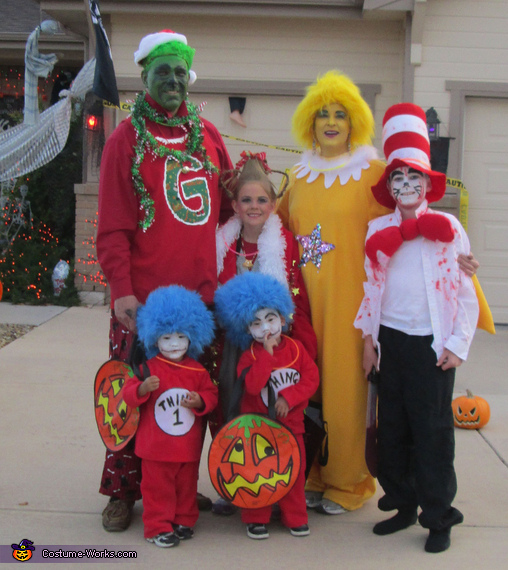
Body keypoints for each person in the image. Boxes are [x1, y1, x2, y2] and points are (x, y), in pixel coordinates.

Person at [276, 70, 482, 515]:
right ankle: (313, 471)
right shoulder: (296, 175)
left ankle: (349, 482)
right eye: (322, 114)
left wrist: (460, 262)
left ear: (355, 124)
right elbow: (277, 230)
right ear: (308, 123)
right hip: (306, 304)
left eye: (341, 115)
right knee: (309, 390)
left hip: (358, 306)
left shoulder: (373, 173)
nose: (331, 122)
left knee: (349, 394)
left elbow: (415, 219)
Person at [96, 29, 233, 531]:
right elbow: (111, 226)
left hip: (200, 302)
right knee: (134, 397)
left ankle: (175, 486)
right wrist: (121, 290)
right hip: (145, 302)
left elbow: (228, 211)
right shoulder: (125, 139)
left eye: (180, 72)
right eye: (163, 71)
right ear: (144, 76)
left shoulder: (208, 134)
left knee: (186, 403)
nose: (173, 81)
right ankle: (122, 492)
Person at [354, 103, 479, 553]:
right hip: (390, 342)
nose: (406, 186)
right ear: (389, 186)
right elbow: (372, 289)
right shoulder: (376, 229)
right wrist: (369, 341)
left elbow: (464, 293)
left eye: (414, 179)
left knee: (432, 433)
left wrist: (457, 345)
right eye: (398, 179)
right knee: (394, 431)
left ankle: (438, 515)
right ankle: (403, 502)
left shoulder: (447, 228)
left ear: (428, 184)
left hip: (432, 346)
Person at [211, 152, 317, 515]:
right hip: (234, 347)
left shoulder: (285, 245)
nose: (253, 206)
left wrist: (299, 342)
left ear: (273, 205)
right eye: (246, 200)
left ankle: (276, 484)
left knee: (273, 414)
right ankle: (237, 481)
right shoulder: (222, 243)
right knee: (233, 410)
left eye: (261, 200)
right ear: (235, 206)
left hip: (274, 345)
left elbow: (296, 294)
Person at [214, 272, 319, 539]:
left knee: (293, 474)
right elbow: (252, 386)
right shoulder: (249, 356)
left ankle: (295, 517)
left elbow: (311, 379)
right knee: (256, 472)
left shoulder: (297, 350)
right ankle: (255, 517)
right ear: (247, 329)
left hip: (291, 428)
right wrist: (267, 357)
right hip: (258, 431)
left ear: (283, 319)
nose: (266, 328)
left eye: (271, 319)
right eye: (256, 323)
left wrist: (289, 398)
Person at [122, 285, 218, 548]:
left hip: (186, 447)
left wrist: (200, 401)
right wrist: (141, 388)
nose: (174, 344)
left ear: (192, 338)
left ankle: (184, 519)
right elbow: (127, 395)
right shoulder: (146, 368)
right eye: (166, 338)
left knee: (186, 487)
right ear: (154, 339)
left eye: (180, 337)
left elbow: (211, 395)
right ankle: (157, 526)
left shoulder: (197, 371)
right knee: (157, 490)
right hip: (155, 448)